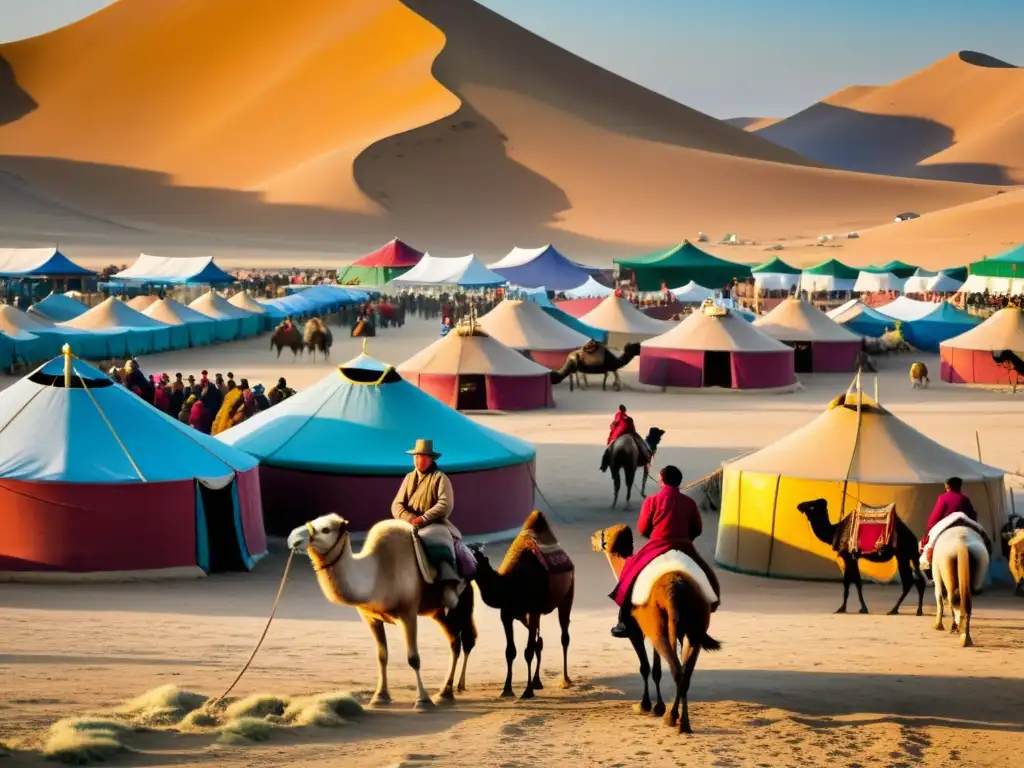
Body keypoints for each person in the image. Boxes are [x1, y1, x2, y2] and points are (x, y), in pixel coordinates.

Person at [609, 465, 721, 638]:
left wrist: (653, 536)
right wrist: (685, 539)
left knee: (630, 572)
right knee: (706, 572)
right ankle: (713, 602)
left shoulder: (651, 501)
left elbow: (643, 528)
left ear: (662, 480)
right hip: (684, 545)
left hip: (657, 545)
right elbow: (697, 528)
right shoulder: (689, 502)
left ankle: (624, 620)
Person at [390, 439, 466, 610]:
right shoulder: (409, 478)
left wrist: (423, 518)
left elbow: (445, 504)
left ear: (431, 459)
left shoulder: (440, 478)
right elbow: (396, 504)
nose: (420, 460)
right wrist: (408, 518)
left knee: (440, 545)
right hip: (408, 523)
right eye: (417, 456)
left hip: (434, 523)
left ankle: (449, 587)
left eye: (424, 457)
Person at [601, 405, 650, 472]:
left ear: (619, 409)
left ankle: (604, 465)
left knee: (609, 448)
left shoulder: (618, 416)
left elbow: (614, 425)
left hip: (619, 434)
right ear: (625, 410)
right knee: (640, 443)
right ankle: (646, 459)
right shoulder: (629, 418)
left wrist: (613, 430)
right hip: (630, 433)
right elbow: (633, 428)